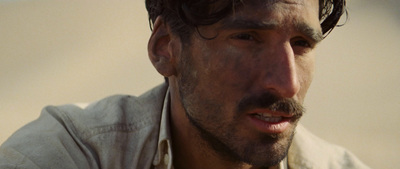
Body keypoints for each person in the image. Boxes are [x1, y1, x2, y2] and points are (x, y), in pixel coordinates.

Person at [0, 0, 370, 168]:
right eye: (247, 37)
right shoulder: (67, 153)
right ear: (166, 49)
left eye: (301, 44)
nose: (287, 85)